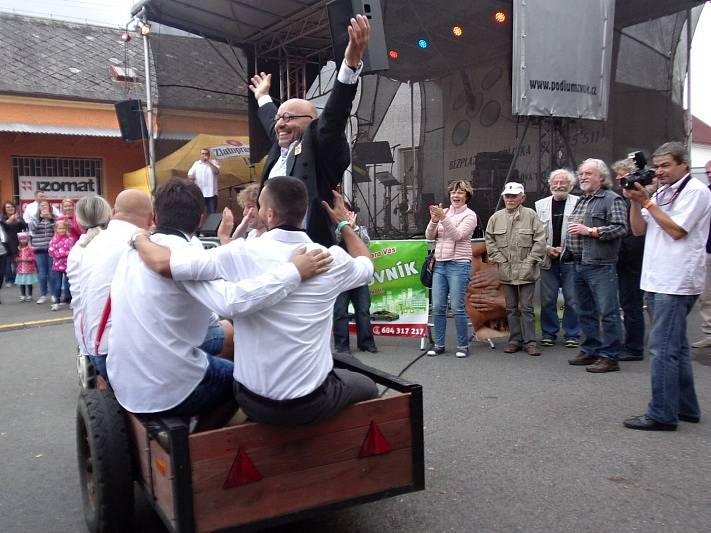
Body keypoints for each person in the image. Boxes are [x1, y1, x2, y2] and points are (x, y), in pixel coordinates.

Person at [133, 176, 378, 426]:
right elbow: (367, 265)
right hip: (309, 403)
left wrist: (139, 239)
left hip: (250, 398)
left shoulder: (238, 253)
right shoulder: (331, 259)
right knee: (368, 386)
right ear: (302, 213)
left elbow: (165, 265)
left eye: (259, 207)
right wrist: (344, 225)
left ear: (269, 215)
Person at [249, 14, 370, 247]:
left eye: (288, 117)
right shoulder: (281, 146)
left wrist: (350, 65)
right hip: (270, 246)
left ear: (312, 122)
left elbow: (334, 116)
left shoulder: (318, 146)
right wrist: (262, 97)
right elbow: (270, 121)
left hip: (310, 249)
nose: (280, 124)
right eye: (279, 118)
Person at [622, 142, 711, 431]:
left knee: (662, 348)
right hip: (657, 277)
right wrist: (636, 201)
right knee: (678, 348)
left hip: (677, 281)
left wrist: (647, 202)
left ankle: (662, 413)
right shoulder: (662, 191)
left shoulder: (696, 191)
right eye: (657, 166)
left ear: (684, 164)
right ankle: (686, 408)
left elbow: (675, 230)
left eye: (666, 166)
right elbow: (638, 229)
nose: (659, 172)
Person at [566, 159, 627, 373]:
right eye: (581, 173)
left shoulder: (612, 199)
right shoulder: (582, 200)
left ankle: (610, 356)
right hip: (579, 263)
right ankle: (591, 350)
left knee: (608, 312)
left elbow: (620, 228)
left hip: (601, 265)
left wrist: (591, 231)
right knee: (585, 311)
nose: (583, 177)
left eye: (588, 173)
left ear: (601, 177)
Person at [486, 182, 547, 356]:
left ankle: (530, 342)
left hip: (527, 270)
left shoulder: (531, 215)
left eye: (514, 196)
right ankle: (514, 340)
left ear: (523, 197)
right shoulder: (496, 218)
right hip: (506, 270)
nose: (510, 199)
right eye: (508, 196)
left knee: (526, 308)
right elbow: (489, 242)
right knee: (511, 308)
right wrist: (500, 260)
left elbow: (540, 240)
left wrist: (530, 262)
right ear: (504, 197)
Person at [425, 180, 478, 358]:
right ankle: (439, 344)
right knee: (438, 307)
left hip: (459, 264)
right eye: (453, 193)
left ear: (467, 196)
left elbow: (457, 236)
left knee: (456, 307)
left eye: (460, 193)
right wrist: (434, 221)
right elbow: (429, 236)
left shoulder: (470, 215)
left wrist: (443, 218)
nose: (456, 196)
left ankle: (463, 345)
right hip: (440, 263)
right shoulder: (444, 212)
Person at [534, 169, 580, 348]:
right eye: (556, 183)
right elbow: (536, 233)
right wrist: (547, 248)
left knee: (572, 299)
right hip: (548, 259)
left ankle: (572, 334)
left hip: (571, 258)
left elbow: (580, 231)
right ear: (550, 185)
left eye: (563, 183)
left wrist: (565, 249)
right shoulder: (540, 205)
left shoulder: (579, 203)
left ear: (571, 186)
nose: (559, 186)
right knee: (547, 299)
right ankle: (549, 333)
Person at [66, 195, 112, 370]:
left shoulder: (76, 250)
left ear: (79, 222)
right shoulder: (117, 243)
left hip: (86, 330)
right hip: (115, 333)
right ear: (109, 216)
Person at [611, 158, 647, 361]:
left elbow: (636, 233)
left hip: (634, 261)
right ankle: (632, 343)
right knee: (628, 303)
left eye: (622, 175)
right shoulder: (624, 200)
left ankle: (634, 347)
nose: (618, 178)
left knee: (632, 303)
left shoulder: (641, 199)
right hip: (625, 260)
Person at [332, 203, 378, 355]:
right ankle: (341, 346)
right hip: (340, 277)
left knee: (363, 310)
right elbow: (334, 242)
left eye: (346, 210)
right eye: (341, 210)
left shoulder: (361, 229)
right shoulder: (333, 228)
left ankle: (366, 343)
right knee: (340, 311)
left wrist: (354, 229)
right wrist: (344, 227)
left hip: (358, 275)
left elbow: (366, 244)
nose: (344, 213)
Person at [691, 159, 711, 348]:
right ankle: (709, 333)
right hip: (708, 251)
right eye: (708, 172)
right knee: (707, 296)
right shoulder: (706, 192)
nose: (710, 175)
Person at [28, 200, 56, 304]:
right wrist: (40, 218)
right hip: (39, 249)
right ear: (39, 208)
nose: (43, 207)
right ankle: (43, 294)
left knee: (52, 273)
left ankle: (54, 294)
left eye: (45, 205)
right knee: (42, 273)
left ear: (49, 207)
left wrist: (50, 218)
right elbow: (33, 229)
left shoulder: (53, 218)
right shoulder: (34, 218)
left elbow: (58, 229)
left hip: (51, 249)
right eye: (41, 206)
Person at [47, 219, 76, 310]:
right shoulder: (53, 241)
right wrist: (63, 254)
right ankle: (56, 302)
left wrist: (65, 253)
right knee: (57, 284)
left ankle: (71, 301)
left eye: (63, 228)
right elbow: (51, 252)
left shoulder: (70, 240)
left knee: (68, 284)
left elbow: (72, 251)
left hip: (68, 265)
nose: (61, 230)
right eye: (59, 228)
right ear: (56, 229)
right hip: (57, 266)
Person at [1, 201, 27, 286]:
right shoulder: (2, 218)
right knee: (7, 263)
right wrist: (12, 218)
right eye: (7, 207)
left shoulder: (18, 217)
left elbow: (24, 226)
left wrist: (18, 219)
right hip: (6, 243)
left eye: (11, 207)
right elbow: (5, 225)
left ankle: (17, 279)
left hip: (17, 242)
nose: (10, 208)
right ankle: (9, 280)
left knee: (17, 262)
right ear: (4, 209)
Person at [187, 148, 221, 214]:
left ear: (209, 155)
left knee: (212, 214)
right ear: (200, 155)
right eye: (203, 153)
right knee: (198, 213)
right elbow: (189, 175)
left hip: (211, 194)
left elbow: (216, 172)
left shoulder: (214, 162)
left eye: (206, 153)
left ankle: (211, 224)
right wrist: (192, 178)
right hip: (199, 193)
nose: (204, 155)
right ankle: (199, 224)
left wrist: (208, 162)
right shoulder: (196, 163)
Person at [15, 232, 38, 301]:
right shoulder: (17, 249)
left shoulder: (30, 249)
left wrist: (27, 259)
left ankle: (30, 295)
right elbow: (15, 258)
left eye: (24, 239)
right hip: (20, 269)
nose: (23, 241)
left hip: (29, 269)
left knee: (29, 282)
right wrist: (19, 259)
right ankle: (23, 295)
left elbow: (33, 258)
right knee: (22, 283)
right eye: (21, 239)